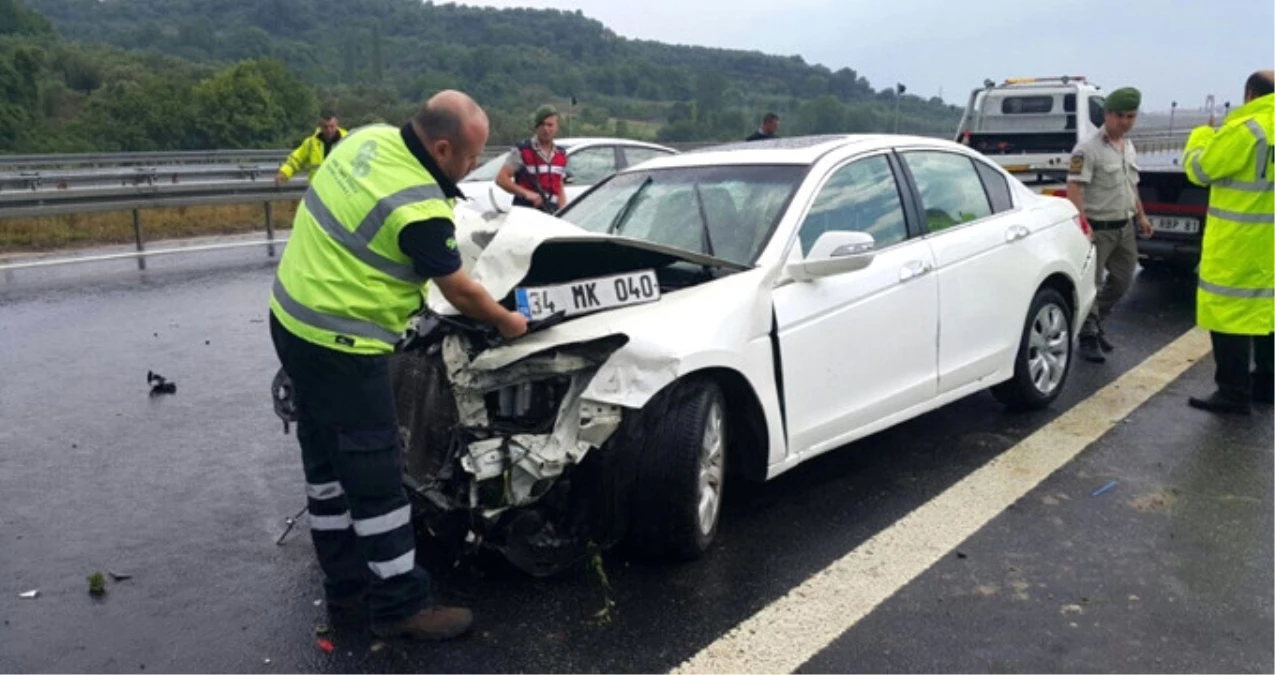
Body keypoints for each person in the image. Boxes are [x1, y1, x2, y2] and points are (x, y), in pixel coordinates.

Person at [268, 90, 528, 640]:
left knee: (325, 470)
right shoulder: (420, 211)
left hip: (290, 322)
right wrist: (509, 322)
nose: (470, 167)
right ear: (440, 147)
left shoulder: (367, 138)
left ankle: (345, 587)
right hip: (343, 348)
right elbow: (460, 292)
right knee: (377, 479)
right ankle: (400, 605)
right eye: (467, 157)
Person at [1182, 70, 1275, 415]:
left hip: (1240, 242)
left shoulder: (1248, 129)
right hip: (1271, 244)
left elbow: (1201, 169)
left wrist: (1203, 134)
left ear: (1250, 94)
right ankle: (1267, 383)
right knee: (1268, 313)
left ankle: (1233, 393)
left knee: (1228, 315)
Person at [1065, 87, 1155, 363]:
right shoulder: (1087, 148)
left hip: (1124, 226)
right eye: (1120, 116)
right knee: (1092, 282)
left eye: (1131, 116)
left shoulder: (1128, 146)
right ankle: (1088, 334)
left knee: (1121, 281)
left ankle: (1090, 320)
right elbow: (1074, 188)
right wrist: (1082, 224)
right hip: (1098, 226)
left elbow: (1131, 186)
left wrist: (1141, 216)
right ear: (1106, 115)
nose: (1125, 122)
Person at [495, 104, 568, 213]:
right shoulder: (523, 150)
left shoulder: (561, 154)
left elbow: (559, 187)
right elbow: (501, 179)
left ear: (556, 126)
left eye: (550, 125)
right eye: (542, 125)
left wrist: (564, 212)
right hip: (526, 212)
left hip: (551, 211)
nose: (546, 129)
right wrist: (526, 194)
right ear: (536, 127)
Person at [275, 112, 347, 185]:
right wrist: (284, 173)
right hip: (317, 188)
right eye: (325, 127)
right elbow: (296, 160)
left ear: (337, 124)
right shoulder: (311, 143)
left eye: (332, 126)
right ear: (320, 126)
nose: (329, 130)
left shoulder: (347, 141)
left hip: (340, 189)